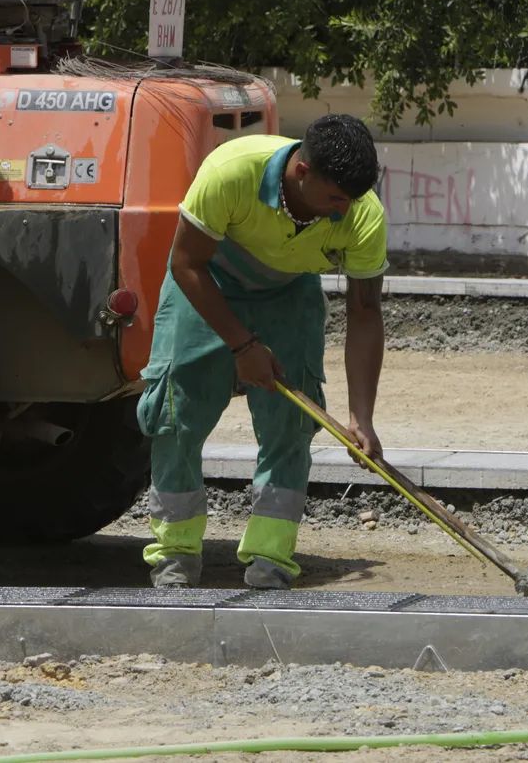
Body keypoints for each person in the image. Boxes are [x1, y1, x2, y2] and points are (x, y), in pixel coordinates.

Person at [135, 113, 388, 590]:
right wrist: (243, 344)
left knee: (292, 425)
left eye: (351, 201)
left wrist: (362, 417)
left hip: (288, 293)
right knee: (175, 415)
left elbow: (365, 310)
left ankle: (270, 561)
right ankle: (175, 557)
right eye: (335, 199)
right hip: (208, 281)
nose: (342, 212)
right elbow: (186, 264)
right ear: (301, 172)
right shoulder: (231, 171)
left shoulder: (361, 212)